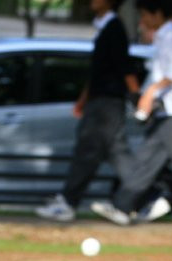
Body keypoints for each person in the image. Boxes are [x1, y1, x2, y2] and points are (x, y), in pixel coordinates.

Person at [90, 0, 172, 227]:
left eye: (145, 14)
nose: (142, 20)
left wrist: (151, 93)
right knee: (145, 162)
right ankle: (122, 206)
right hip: (167, 114)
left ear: (158, 14)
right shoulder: (165, 38)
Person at [35, 0, 140, 222]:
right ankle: (146, 196)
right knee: (117, 153)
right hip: (100, 100)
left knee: (88, 150)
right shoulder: (106, 27)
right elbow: (97, 73)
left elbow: (125, 67)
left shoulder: (114, 28)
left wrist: (138, 98)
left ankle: (68, 201)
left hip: (106, 103)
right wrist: (82, 101)